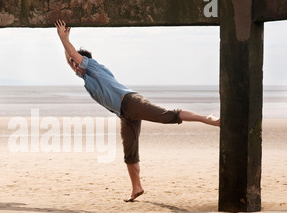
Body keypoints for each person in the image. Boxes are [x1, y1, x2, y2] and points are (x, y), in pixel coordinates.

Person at [54, 20, 220, 203]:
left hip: (131, 102)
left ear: (83, 61)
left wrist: (62, 38)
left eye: (76, 63)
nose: (74, 66)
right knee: (129, 153)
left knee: (168, 116)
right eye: (73, 64)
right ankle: (136, 188)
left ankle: (208, 119)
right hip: (124, 114)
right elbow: (70, 58)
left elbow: (72, 54)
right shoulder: (85, 74)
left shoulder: (92, 66)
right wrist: (66, 40)